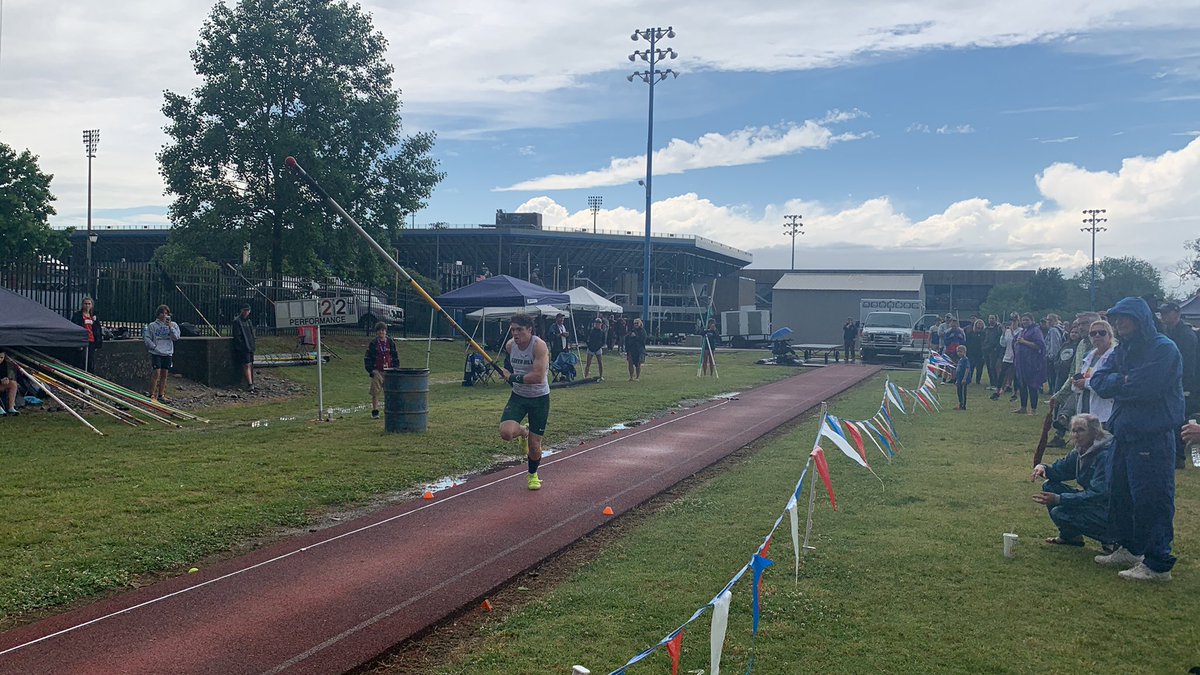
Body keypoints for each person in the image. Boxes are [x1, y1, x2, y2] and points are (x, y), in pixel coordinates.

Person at [1090, 297, 1184, 581]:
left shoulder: (1163, 349)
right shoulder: (1123, 350)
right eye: (1116, 318)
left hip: (1151, 434)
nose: (1119, 323)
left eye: (1125, 317)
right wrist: (1124, 381)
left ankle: (1157, 562)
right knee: (1120, 492)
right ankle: (1131, 548)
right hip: (1124, 432)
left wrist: (1121, 382)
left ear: (1141, 318)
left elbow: (1148, 386)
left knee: (1152, 498)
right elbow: (1098, 381)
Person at [1030, 413, 1116, 550]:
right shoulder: (1080, 450)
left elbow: (1099, 494)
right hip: (1094, 502)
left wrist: (1060, 499)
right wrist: (1043, 468)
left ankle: (1111, 539)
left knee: (1060, 512)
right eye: (1073, 430)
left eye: (1081, 430)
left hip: (1110, 508)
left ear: (1094, 432)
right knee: (1049, 486)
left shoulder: (1104, 455)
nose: (1076, 435)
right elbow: (1061, 470)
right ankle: (1071, 536)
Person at [498, 313, 551, 491]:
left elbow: (537, 377)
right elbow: (507, 367)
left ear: (529, 329)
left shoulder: (539, 346)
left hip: (539, 398)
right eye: (512, 330)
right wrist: (504, 373)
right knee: (505, 433)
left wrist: (512, 377)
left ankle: (532, 475)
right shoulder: (510, 346)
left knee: (535, 445)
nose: (515, 333)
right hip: (519, 396)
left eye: (519, 329)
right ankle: (523, 432)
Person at [1159, 302, 1198, 468]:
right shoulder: (1167, 333)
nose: (1164, 316)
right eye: (1162, 313)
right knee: (1175, 420)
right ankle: (1176, 456)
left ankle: (1182, 457)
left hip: (1186, 384)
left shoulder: (1186, 335)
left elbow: (1189, 364)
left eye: (1167, 313)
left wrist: (1185, 386)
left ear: (1177, 313)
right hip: (1172, 383)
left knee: (1186, 421)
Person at [143, 304, 181, 403]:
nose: (164, 315)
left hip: (168, 352)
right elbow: (147, 338)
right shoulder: (152, 326)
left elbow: (176, 337)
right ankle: (151, 394)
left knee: (165, 373)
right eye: (162, 313)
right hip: (157, 352)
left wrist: (170, 327)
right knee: (156, 372)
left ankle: (161, 394)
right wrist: (154, 347)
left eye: (166, 313)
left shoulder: (174, 325)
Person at [363, 321, 399, 419]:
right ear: (376, 332)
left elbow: (395, 356)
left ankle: (390, 410)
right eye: (379, 331)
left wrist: (395, 369)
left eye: (383, 330)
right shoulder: (373, 343)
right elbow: (367, 358)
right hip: (378, 371)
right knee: (375, 392)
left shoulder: (390, 342)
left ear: (386, 331)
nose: (381, 332)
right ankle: (375, 412)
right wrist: (371, 370)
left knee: (390, 392)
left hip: (389, 371)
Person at [1012, 313, 1046, 415]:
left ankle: (1033, 409)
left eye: (1027, 320)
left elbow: (1039, 346)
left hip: (1032, 364)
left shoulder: (1036, 331)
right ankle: (1023, 407)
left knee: (1032, 386)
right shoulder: (1022, 331)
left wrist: (1024, 342)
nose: (1024, 322)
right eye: (1023, 320)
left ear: (1032, 320)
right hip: (1021, 364)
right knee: (1022, 386)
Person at [70, 297, 103, 373]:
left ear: (92, 305)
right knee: (81, 361)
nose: (87, 306)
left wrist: (98, 342)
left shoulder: (94, 316)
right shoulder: (78, 315)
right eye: (85, 304)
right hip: (82, 340)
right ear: (82, 305)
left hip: (91, 341)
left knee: (90, 361)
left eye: (89, 304)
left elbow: (97, 329)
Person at [231, 304, 256, 392]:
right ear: (241, 311)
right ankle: (250, 383)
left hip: (250, 346)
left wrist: (252, 345)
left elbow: (252, 335)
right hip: (243, 348)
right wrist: (241, 346)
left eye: (247, 310)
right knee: (246, 364)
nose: (246, 312)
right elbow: (237, 336)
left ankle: (251, 382)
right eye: (244, 310)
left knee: (249, 364)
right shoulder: (237, 321)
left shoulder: (249, 322)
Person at [983, 314, 1002, 388]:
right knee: (988, 367)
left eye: (993, 318)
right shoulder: (986, 329)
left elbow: (999, 339)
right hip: (986, 350)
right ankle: (992, 383)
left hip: (994, 350)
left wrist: (996, 348)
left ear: (996, 319)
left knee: (993, 367)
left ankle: (996, 384)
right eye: (990, 318)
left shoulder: (998, 328)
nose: (991, 320)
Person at [584, 316, 605, 381]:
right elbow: (586, 338)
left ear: (601, 324)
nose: (597, 324)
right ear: (594, 324)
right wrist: (589, 345)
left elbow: (603, 341)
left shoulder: (602, 332)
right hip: (590, 348)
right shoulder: (590, 331)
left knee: (600, 363)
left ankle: (601, 376)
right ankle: (586, 376)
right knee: (588, 363)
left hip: (598, 348)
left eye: (599, 323)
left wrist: (599, 346)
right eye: (596, 323)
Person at [625, 317, 647, 381]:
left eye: (637, 323)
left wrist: (635, 336)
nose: (636, 324)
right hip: (631, 349)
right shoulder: (632, 330)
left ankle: (637, 377)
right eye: (634, 323)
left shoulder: (642, 331)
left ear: (640, 323)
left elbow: (643, 340)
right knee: (630, 363)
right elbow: (627, 339)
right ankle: (631, 377)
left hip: (639, 350)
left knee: (638, 364)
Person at [0, 349, 20, 416]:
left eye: (1, 357)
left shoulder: (4, 364)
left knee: (13, 384)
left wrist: (6, 379)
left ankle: (11, 407)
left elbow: (5, 375)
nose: (0, 359)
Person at [965, 319, 985, 384]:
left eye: (981, 323)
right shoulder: (971, 332)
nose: (979, 325)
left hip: (981, 353)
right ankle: (969, 379)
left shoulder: (984, 333)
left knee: (980, 368)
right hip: (971, 352)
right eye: (978, 323)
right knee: (971, 366)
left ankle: (978, 380)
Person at [953, 345, 970, 410]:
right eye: (957, 351)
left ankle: (963, 406)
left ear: (964, 352)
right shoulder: (960, 360)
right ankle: (960, 404)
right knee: (959, 392)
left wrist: (964, 378)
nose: (959, 353)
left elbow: (967, 369)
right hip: (959, 379)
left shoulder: (966, 360)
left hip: (963, 379)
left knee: (963, 392)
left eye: (960, 351)